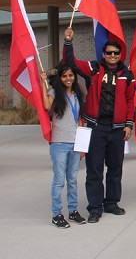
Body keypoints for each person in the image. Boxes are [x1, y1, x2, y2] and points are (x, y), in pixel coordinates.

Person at [63, 27, 135, 224]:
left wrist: (129, 125)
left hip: (118, 130)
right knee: (94, 170)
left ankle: (111, 203)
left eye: (116, 53)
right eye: (109, 53)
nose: (112, 56)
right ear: (104, 54)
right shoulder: (94, 68)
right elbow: (71, 64)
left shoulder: (127, 74)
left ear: (120, 55)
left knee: (115, 168)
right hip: (96, 128)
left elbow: (130, 101)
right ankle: (95, 208)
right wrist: (68, 42)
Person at [41, 64, 87, 228]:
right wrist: (42, 82)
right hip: (60, 143)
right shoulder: (54, 93)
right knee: (59, 180)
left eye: (71, 76)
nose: (68, 79)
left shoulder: (76, 95)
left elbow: (79, 117)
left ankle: (73, 211)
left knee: (73, 179)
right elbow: (46, 106)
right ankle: (57, 214)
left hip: (75, 142)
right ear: (60, 78)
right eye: (65, 76)